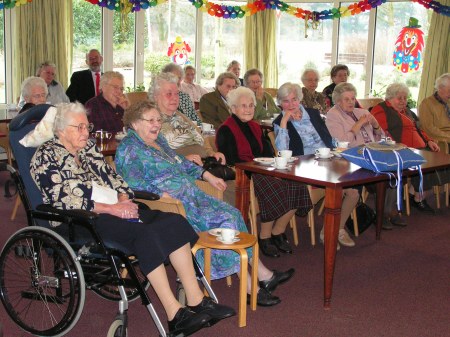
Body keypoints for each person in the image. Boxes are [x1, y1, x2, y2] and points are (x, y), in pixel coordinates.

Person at [30, 102, 235, 336]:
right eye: (79, 127)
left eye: (87, 127)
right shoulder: (45, 156)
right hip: (80, 220)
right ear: (60, 130)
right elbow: (62, 197)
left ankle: (197, 300)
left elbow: (114, 178)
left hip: (115, 209)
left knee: (173, 222)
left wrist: (124, 198)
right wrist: (111, 208)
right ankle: (174, 313)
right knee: (146, 234)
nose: (86, 133)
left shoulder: (88, 149)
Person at [115, 100, 295, 306]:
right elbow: (130, 185)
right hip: (171, 205)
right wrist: (161, 195)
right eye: (151, 120)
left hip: (192, 196)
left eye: (158, 119)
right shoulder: (129, 149)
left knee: (233, 213)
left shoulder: (159, 141)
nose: (157, 124)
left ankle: (263, 274)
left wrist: (207, 175)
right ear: (135, 123)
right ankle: (250, 287)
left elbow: (181, 162)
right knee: (224, 221)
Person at [216, 87, 313, 257]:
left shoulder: (255, 126)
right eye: (243, 106)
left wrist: (273, 166)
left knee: (297, 181)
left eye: (251, 105)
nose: (248, 109)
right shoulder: (226, 129)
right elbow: (232, 160)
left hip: (264, 168)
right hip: (245, 172)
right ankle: (264, 236)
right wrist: (261, 167)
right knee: (271, 183)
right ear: (233, 108)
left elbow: (268, 153)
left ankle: (278, 230)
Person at [274, 82, 359, 247]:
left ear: (299, 99)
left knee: (354, 192)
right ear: (280, 103)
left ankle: (335, 229)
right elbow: (282, 152)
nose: (291, 105)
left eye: (294, 99)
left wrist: (339, 146)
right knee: (334, 190)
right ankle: (327, 232)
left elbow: (327, 137)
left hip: (328, 161)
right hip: (303, 167)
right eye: (286, 101)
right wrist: (284, 122)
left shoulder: (313, 114)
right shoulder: (279, 121)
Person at [324, 82, 404, 230]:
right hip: (351, 157)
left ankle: (386, 212)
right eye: (346, 99)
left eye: (352, 98)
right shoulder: (333, 115)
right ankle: (381, 213)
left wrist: (375, 125)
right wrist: (359, 124)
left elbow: (382, 137)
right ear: (338, 101)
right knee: (383, 173)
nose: (350, 102)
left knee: (395, 170)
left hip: (372, 153)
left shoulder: (361, 112)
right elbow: (341, 143)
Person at [371, 83, 445, 214]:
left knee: (441, 162)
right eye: (399, 98)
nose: (403, 101)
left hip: (420, 147)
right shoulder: (381, 110)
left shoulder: (408, 111)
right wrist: (395, 145)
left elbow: (419, 128)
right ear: (389, 98)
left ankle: (413, 194)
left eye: (405, 98)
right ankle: (417, 198)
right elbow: (381, 133)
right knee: (425, 163)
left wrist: (430, 140)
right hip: (400, 149)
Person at [419, 73, 450, 148]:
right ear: (440, 88)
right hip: (442, 141)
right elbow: (429, 129)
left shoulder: (448, 101)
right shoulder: (426, 104)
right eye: (449, 90)